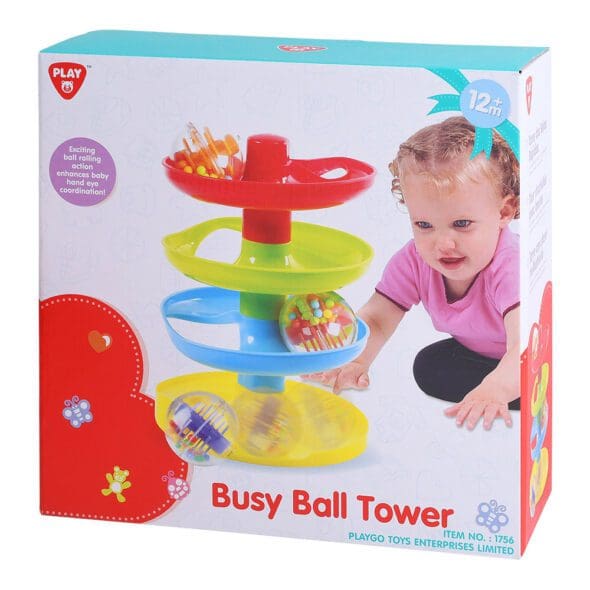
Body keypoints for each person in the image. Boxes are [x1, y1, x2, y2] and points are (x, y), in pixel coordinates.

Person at [305, 117, 520, 431]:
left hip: (539, 353)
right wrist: (354, 359)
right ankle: (501, 389)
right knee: (429, 368)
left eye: (461, 224)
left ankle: (525, 390)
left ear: (504, 212)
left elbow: (525, 346)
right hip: (483, 355)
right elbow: (378, 318)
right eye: (424, 225)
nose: (443, 244)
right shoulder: (415, 260)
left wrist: (496, 389)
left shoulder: (511, 266)